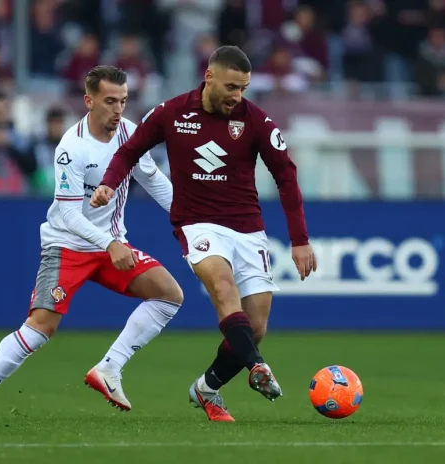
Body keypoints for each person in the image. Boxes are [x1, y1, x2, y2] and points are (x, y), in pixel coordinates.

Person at [92, 46, 317, 422]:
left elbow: (286, 176)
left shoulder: (256, 121)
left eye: (243, 88)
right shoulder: (171, 113)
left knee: (255, 327)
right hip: (197, 223)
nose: (237, 96)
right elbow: (129, 151)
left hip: (248, 228)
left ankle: (207, 387)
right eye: (231, 87)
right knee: (223, 289)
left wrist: (300, 240)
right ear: (209, 76)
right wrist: (109, 183)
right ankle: (258, 367)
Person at [0, 65, 183, 421]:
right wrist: (110, 245)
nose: (118, 109)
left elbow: (153, 180)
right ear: (89, 101)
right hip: (67, 245)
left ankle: (109, 368)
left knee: (168, 294)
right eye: (110, 101)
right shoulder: (71, 147)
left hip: (110, 244)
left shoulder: (129, 134)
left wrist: (189, 218)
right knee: (41, 327)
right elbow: (70, 215)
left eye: (123, 101)